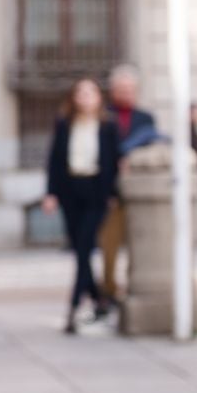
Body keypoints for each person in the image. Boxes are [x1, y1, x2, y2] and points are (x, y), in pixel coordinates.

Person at [42, 78, 120, 334]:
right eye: (81, 92)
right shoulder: (64, 124)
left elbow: (113, 161)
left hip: (96, 193)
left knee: (84, 248)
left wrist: (112, 193)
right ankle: (99, 300)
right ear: (74, 97)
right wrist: (51, 193)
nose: (86, 97)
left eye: (91, 92)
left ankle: (74, 309)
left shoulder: (107, 126)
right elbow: (54, 160)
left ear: (99, 97)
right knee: (79, 248)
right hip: (70, 192)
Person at [99, 64, 156, 302]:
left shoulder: (145, 119)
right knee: (109, 246)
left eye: (130, 89)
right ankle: (109, 291)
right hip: (111, 194)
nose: (125, 94)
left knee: (141, 245)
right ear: (112, 91)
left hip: (138, 192)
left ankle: (136, 285)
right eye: (121, 89)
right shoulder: (103, 116)